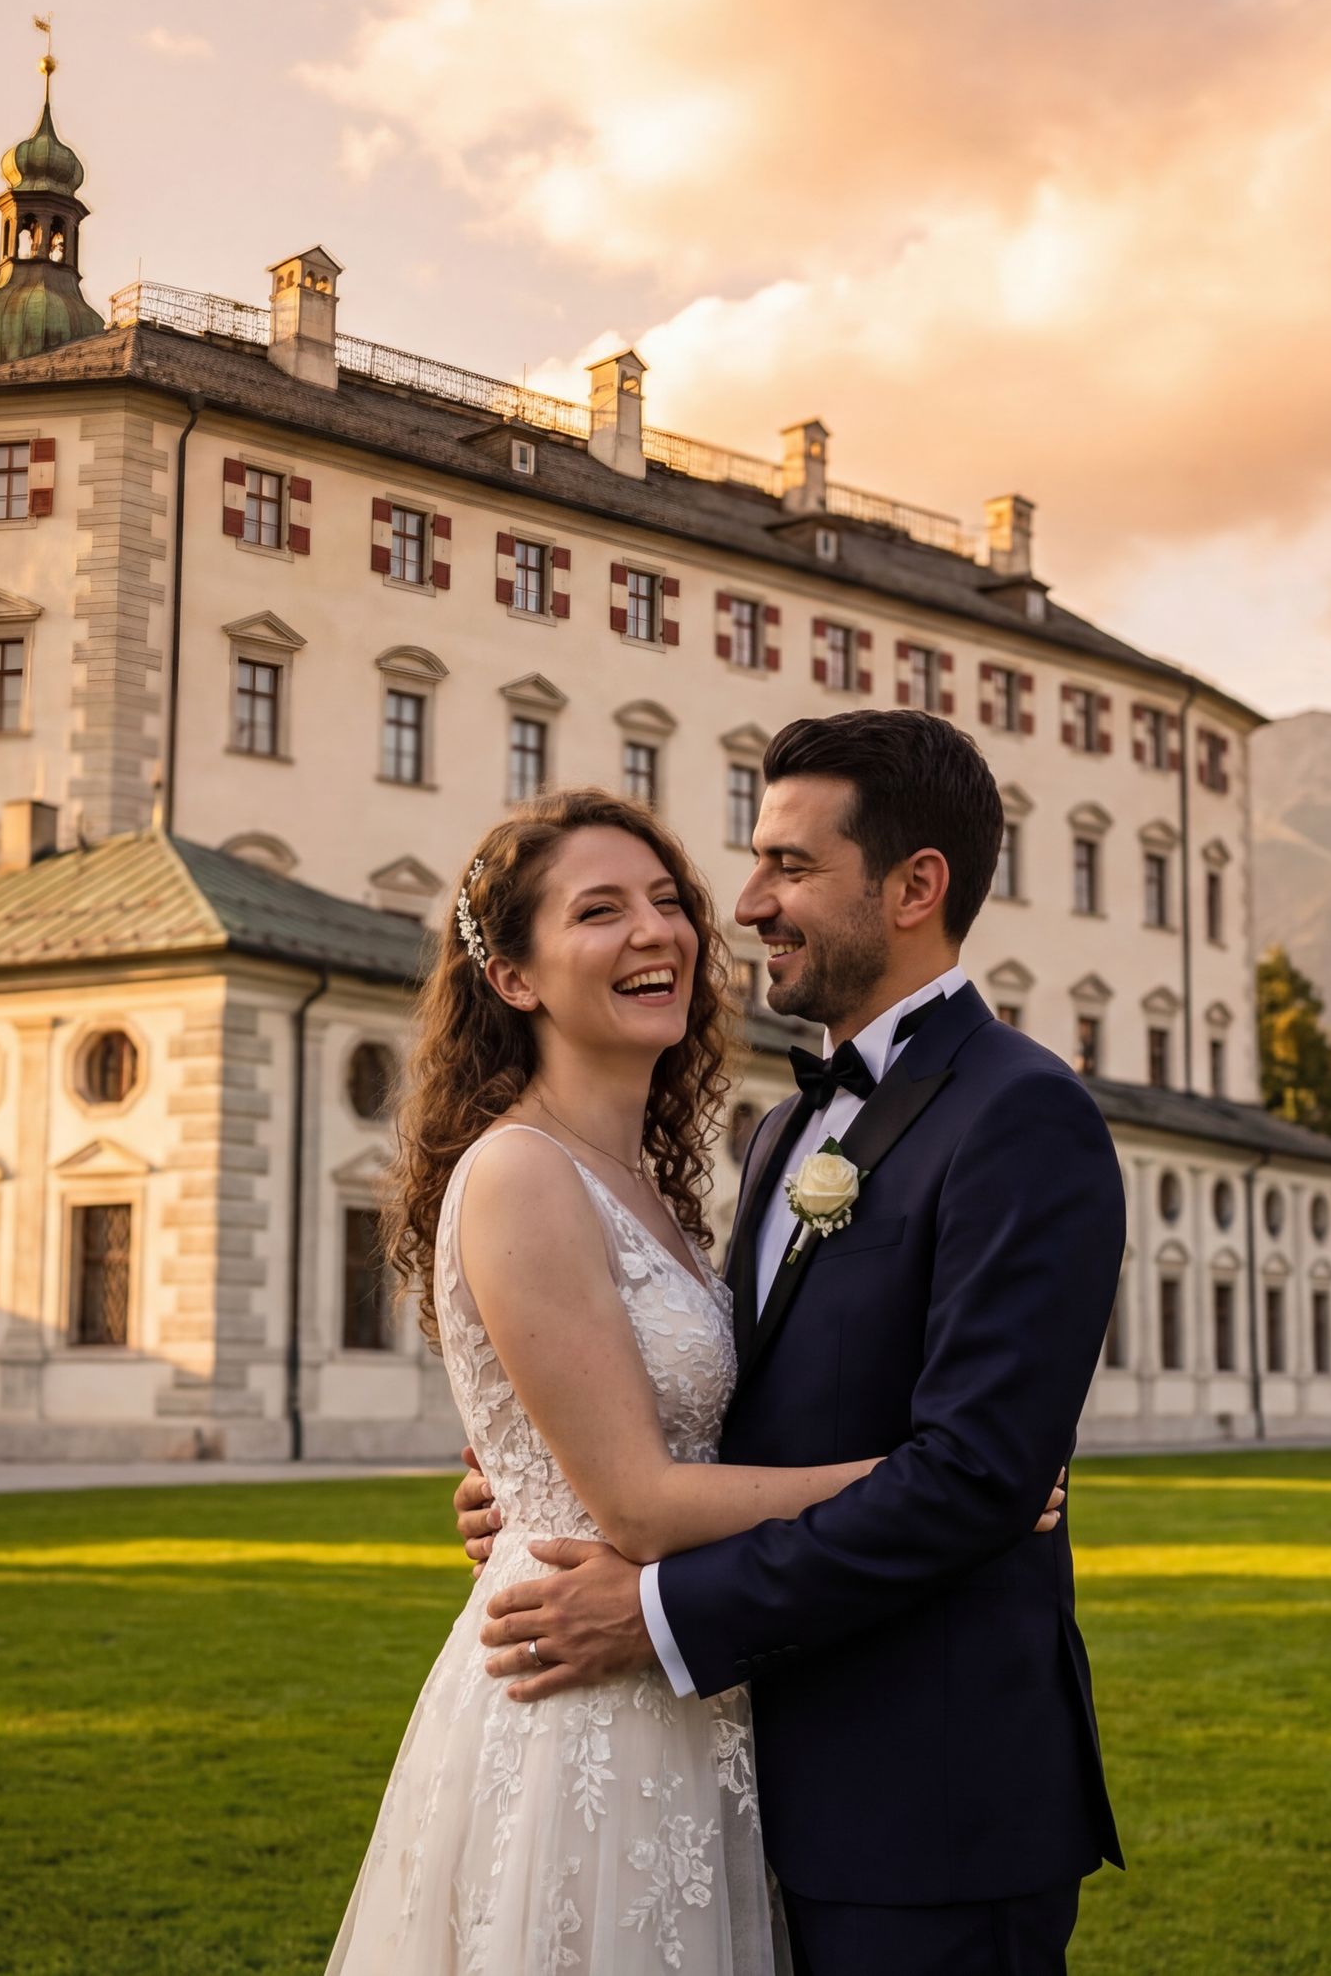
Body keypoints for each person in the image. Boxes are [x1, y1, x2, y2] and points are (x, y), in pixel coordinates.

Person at [324, 785, 1065, 1973]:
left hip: (715, 1705)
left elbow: (703, 1420)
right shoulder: (522, 1171)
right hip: (586, 1708)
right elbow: (636, 1501)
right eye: (600, 911)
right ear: (513, 977)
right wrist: (939, 1482)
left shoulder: (686, 1184)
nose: (666, 931)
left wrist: (524, 1485)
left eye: (670, 901)